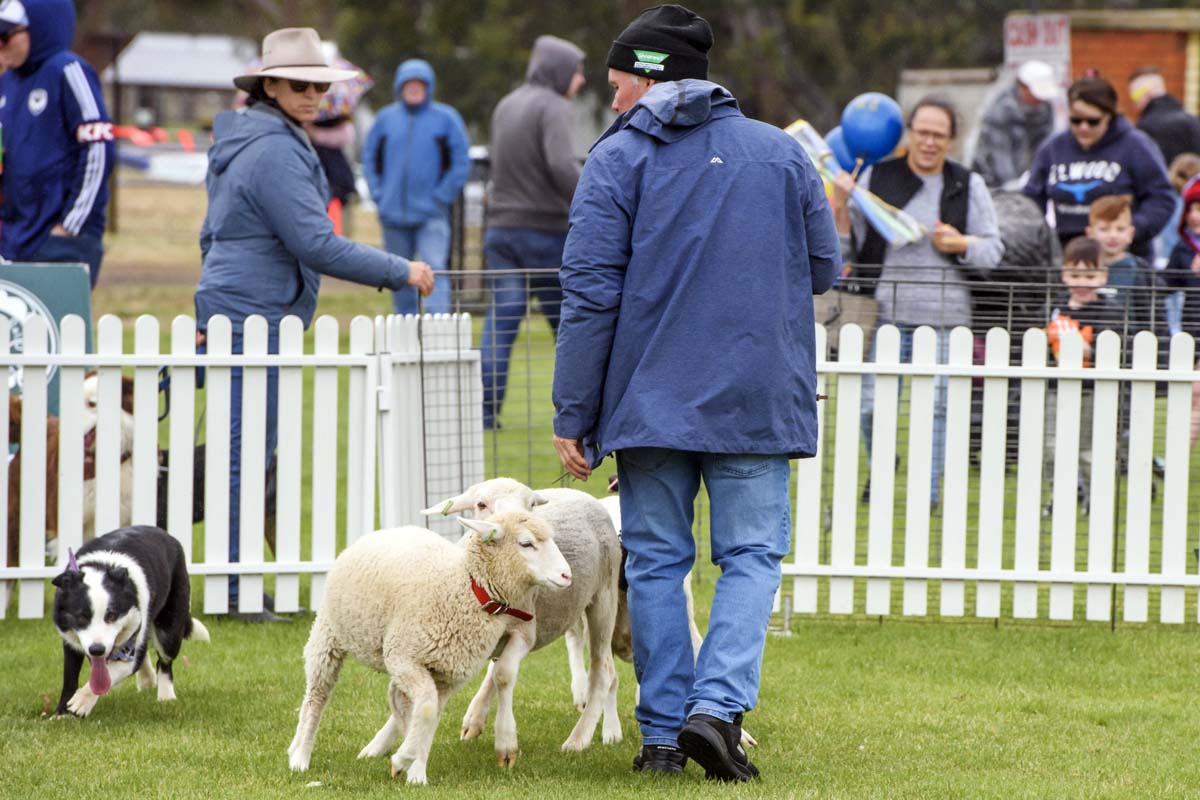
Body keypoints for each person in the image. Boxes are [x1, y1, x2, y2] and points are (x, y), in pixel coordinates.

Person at [551, 4, 840, 780]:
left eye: (617, 86)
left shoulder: (617, 160)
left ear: (651, 78)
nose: (611, 103)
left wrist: (574, 411)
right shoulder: (781, 153)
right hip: (755, 393)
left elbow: (588, 294)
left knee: (655, 563)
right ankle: (716, 712)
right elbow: (825, 267)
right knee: (750, 557)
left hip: (651, 401)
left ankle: (660, 736)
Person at [194, 28, 434, 622]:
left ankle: (237, 576)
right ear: (269, 86)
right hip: (253, 312)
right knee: (244, 454)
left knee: (244, 451)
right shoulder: (274, 147)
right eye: (299, 85)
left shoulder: (251, 137)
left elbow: (212, 234)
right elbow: (315, 242)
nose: (312, 95)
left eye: (318, 86)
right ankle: (231, 587)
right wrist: (400, 269)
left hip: (238, 304)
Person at [832, 96, 1003, 506]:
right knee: (872, 405)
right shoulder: (877, 176)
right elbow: (846, 246)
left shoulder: (967, 184)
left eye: (938, 135)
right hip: (887, 314)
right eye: (922, 132)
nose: (929, 142)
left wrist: (960, 242)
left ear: (951, 140)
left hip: (949, 317)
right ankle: (882, 466)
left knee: (941, 409)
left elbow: (993, 251)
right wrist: (840, 202)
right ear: (908, 133)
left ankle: (927, 494)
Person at [481, 34, 585, 430]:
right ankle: (579, 415)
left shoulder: (507, 104)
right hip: (545, 232)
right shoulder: (553, 106)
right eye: (577, 72)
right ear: (559, 71)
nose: (580, 82)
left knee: (501, 322)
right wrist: (591, 200)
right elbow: (561, 165)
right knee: (572, 327)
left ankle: (486, 413)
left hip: (502, 231)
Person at [0, 0, 113, 287]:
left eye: (5, 36)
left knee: (60, 329)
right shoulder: (8, 82)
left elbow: (98, 147)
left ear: (38, 28)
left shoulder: (68, 70)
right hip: (15, 238)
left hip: (60, 239)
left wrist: (70, 226)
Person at [1024, 73, 1175, 262]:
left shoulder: (1136, 146)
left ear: (1109, 117)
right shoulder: (1053, 148)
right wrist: (1041, 237)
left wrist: (1129, 231)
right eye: (1076, 120)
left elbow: (1162, 198)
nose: (1083, 127)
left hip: (1125, 259)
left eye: (1092, 121)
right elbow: (1032, 199)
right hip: (1070, 260)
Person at [364, 58, 470, 314]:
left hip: (431, 215)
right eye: (408, 84)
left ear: (428, 87)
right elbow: (369, 158)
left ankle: (438, 336)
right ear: (399, 87)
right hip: (392, 216)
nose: (413, 89)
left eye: (419, 84)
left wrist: (440, 197)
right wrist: (378, 194)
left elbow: (460, 162)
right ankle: (408, 337)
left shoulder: (446, 119)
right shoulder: (385, 120)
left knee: (435, 270)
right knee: (399, 277)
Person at [1043, 236, 1126, 515]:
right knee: (1053, 445)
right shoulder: (1055, 309)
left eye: (1090, 275)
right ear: (1065, 275)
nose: (1082, 282)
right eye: (1075, 274)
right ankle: (1061, 496)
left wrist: (1086, 348)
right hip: (1057, 389)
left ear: (1102, 277)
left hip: (1092, 390)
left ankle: (1095, 497)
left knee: (1090, 449)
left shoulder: (1109, 311)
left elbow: (1112, 349)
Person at [971, 60, 1057, 190]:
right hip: (993, 181)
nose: (1040, 100)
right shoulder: (1000, 110)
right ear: (1022, 87)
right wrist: (1013, 186)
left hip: (1024, 177)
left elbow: (1043, 147)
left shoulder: (1046, 108)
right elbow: (999, 154)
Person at [1162, 176, 1200, 446]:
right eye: (1192, 209)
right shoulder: (1183, 250)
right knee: (1189, 394)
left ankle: (1181, 448)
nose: (1196, 216)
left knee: (1196, 392)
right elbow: (1165, 285)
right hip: (1194, 335)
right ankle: (1180, 452)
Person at [1128, 66, 1200, 169]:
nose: (1134, 102)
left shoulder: (1146, 125)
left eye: (1134, 95)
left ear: (1145, 92)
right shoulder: (1193, 120)